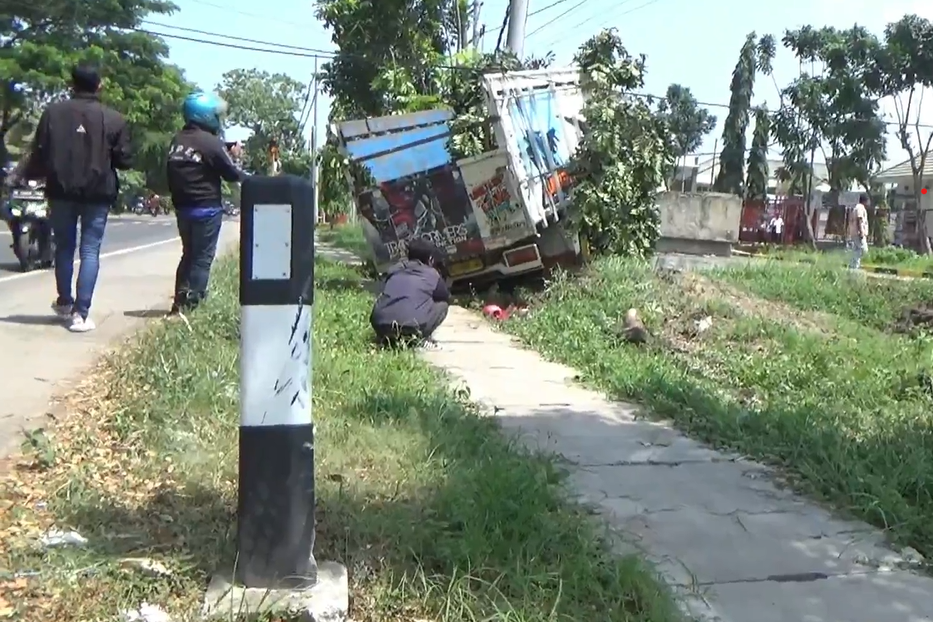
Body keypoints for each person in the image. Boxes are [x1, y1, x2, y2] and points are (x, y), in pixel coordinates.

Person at [4, 64, 132, 332]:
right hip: (98, 193)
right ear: (99, 86)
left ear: (70, 84)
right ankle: (81, 314)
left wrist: (26, 175)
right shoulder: (114, 119)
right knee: (89, 250)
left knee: (64, 248)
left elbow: (39, 151)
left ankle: (64, 302)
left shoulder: (53, 114)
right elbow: (124, 161)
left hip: (60, 191)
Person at [166, 91, 244, 314]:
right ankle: (193, 305)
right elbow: (230, 173)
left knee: (188, 254)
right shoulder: (211, 142)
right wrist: (235, 157)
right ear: (206, 115)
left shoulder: (178, 140)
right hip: (206, 208)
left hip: (183, 207)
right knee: (202, 258)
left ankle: (179, 302)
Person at [370, 238, 450, 349]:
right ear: (430, 259)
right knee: (443, 305)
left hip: (380, 324)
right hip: (413, 326)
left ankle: (384, 337)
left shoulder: (393, 270)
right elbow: (444, 296)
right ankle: (423, 337)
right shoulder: (432, 274)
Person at [849, 194, 870, 270]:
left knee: (856, 250)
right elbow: (859, 219)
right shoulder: (860, 208)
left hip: (855, 232)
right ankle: (854, 266)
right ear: (865, 201)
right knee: (863, 250)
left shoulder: (857, 207)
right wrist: (861, 232)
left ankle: (853, 266)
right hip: (858, 233)